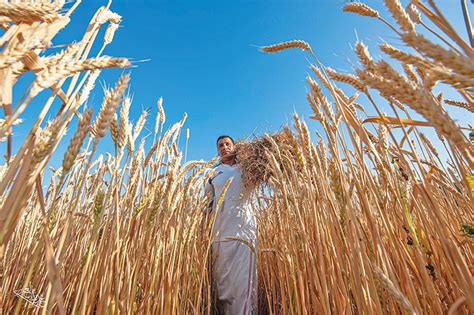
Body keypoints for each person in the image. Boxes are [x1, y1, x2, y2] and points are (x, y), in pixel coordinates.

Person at [204, 135, 258, 315]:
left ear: (235, 147)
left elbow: (268, 173)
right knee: (223, 285)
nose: (224, 147)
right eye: (220, 145)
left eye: (228, 144)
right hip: (219, 234)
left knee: (244, 284)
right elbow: (208, 204)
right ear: (217, 150)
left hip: (244, 233)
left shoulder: (248, 168)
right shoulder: (212, 174)